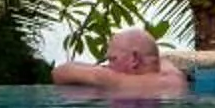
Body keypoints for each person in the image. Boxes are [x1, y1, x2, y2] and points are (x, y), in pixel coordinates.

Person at [51, 27, 190, 96]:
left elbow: (59, 73)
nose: (109, 66)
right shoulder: (174, 78)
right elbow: (161, 60)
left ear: (134, 59)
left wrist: (103, 72)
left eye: (112, 59)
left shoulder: (118, 82)